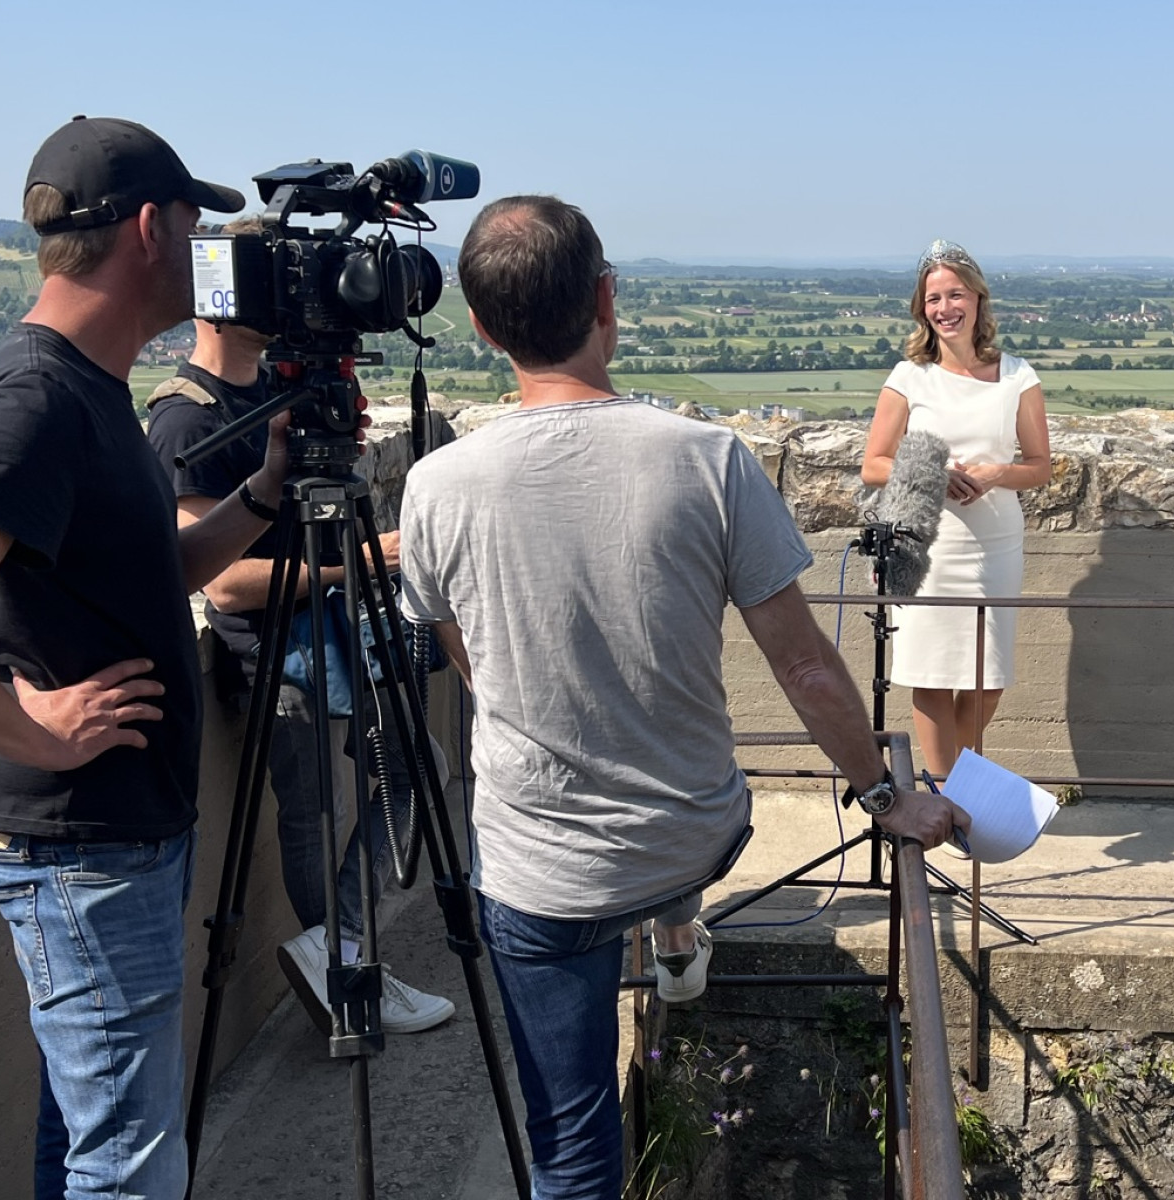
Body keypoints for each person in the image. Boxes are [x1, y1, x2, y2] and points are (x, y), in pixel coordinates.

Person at [398, 194, 968, 1200]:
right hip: (686, 835)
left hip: (539, 872)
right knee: (679, 849)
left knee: (570, 1146)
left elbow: (472, 660)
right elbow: (803, 666)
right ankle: (673, 935)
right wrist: (888, 798)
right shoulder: (707, 460)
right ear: (607, 301)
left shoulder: (438, 486)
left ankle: (662, 942)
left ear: (481, 329)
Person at [0, 116, 286, 1198]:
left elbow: (148, 571)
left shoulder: (85, 382)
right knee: (130, 1166)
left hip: (105, 841)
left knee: (84, 1135)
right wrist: (32, 730)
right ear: (154, 229)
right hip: (82, 852)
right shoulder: (38, 396)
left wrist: (262, 492)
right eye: (200, 224)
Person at [145, 217, 454, 1037]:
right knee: (313, 820)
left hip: (337, 640)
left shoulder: (283, 398)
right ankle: (348, 975)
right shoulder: (186, 419)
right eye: (266, 278)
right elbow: (228, 583)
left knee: (421, 768)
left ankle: (343, 948)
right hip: (280, 658)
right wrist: (363, 561)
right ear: (218, 293)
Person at [860, 240, 1051, 794]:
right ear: (923, 309)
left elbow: (1039, 467)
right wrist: (933, 473)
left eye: (955, 295)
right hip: (928, 546)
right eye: (933, 298)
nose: (945, 307)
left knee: (987, 678)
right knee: (931, 674)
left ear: (977, 299)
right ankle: (948, 796)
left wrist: (996, 474)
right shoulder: (909, 377)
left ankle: (951, 791)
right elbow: (874, 464)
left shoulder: (1018, 377)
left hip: (995, 546)